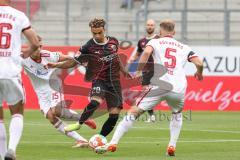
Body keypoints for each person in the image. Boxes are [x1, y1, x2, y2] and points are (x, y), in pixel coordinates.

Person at [95, 19, 203, 156]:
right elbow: (199, 62)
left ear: (159, 31)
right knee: (177, 113)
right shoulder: (184, 47)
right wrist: (199, 73)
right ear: (174, 32)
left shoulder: (155, 42)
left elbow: (145, 54)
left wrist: (139, 71)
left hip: (159, 85)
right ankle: (171, 146)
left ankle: (113, 143)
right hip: (178, 87)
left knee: (133, 112)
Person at [47, 18, 131, 139]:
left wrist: (124, 71)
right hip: (99, 80)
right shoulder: (88, 46)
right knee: (95, 102)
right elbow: (73, 62)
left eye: (99, 32)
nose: (97, 35)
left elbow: (116, 58)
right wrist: (56, 65)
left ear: (104, 30)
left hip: (114, 81)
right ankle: (79, 123)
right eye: (94, 33)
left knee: (114, 115)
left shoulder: (114, 42)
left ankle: (100, 138)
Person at [22, 35, 97, 148]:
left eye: (40, 46)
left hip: (53, 84)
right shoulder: (22, 58)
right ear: (30, 47)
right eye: (36, 47)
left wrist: (80, 60)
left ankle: (83, 118)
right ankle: (82, 140)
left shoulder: (46, 55)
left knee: (57, 111)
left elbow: (64, 57)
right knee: (51, 117)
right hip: (40, 92)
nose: (39, 49)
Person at [0, 0, 40, 159]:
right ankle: (11, 149)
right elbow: (35, 43)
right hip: (10, 71)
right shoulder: (18, 15)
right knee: (17, 113)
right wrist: (27, 53)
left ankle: (2, 155)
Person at [128, 19, 159, 123]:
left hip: (157, 68)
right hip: (146, 69)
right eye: (148, 25)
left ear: (154, 27)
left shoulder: (158, 39)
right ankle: (152, 115)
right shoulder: (141, 41)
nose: (150, 27)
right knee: (147, 91)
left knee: (149, 92)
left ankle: (149, 114)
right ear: (146, 26)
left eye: (152, 25)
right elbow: (138, 53)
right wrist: (132, 60)